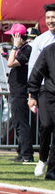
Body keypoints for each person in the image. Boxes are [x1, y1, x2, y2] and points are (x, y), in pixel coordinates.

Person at [3, 23, 33, 164]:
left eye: (13, 37)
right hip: (15, 91)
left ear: (18, 37)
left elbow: (11, 64)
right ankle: (21, 152)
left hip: (21, 92)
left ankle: (27, 154)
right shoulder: (22, 50)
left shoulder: (27, 50)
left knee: (22, 123)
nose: (11, 40)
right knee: (17, 123)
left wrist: (15, 47)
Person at [28, 19, 55, 180]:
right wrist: (32, 94)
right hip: (47, 94)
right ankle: (43, 158)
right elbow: (36, 73)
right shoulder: (48, 50)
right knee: (46, 125)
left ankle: (52, 170)